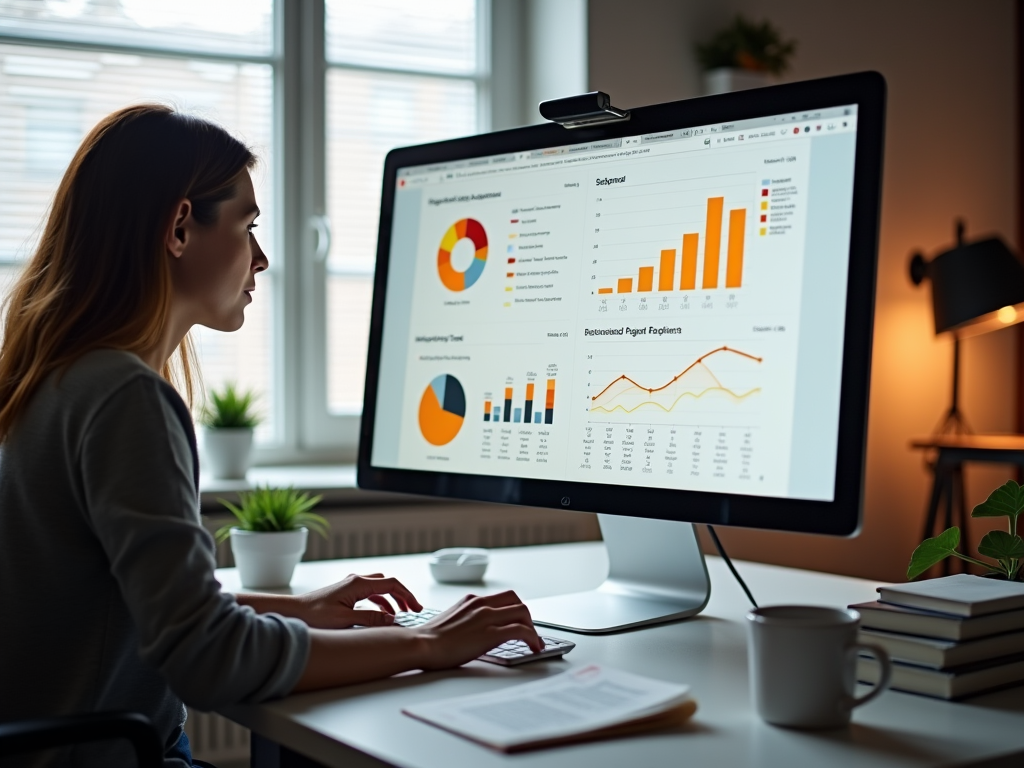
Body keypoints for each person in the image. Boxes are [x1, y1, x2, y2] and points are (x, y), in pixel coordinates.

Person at [0, 104, 543, 768]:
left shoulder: (51, 378)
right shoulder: (124, 397)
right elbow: (207, 659)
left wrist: (295, 608)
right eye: (247, 226)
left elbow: (107, 596)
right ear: (178, 227)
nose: (261, 258)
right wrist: (429, 644)